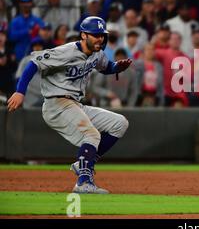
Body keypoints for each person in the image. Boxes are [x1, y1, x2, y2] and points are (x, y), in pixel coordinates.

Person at [7, 16, 132, 194]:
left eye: (102, 35)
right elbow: (33, 63)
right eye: (95, 35)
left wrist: (116, 68)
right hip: (56, 103)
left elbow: (106, 67)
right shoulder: (66, 51)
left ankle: (84, 163)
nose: (100, 39)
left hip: (75, 104)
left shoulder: (97, 53)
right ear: (83, 35)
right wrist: (20, 91)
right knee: (92, 135)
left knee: (120, 123)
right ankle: (83, 182)